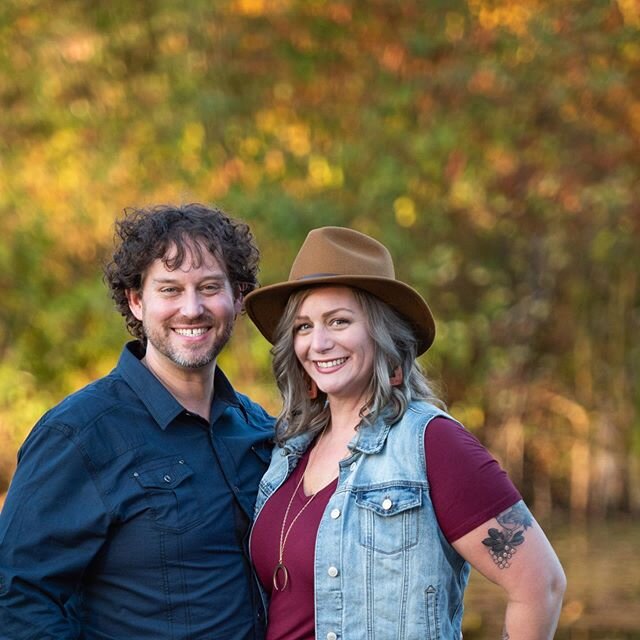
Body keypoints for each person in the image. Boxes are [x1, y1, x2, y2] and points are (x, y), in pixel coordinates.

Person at [244, 226, 566, 640]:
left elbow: (541, 586)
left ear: (383, 335)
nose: (319, 342)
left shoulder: (431, 444)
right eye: (304, 326)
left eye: (339, 321)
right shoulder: (287, 454)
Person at [0, 203, 274, 640]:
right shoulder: (78, 434)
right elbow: (16, 597)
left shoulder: (259, 429)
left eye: (209, 287)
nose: (191, 308)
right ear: (136, 300)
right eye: (169, 289)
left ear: (238, 298)